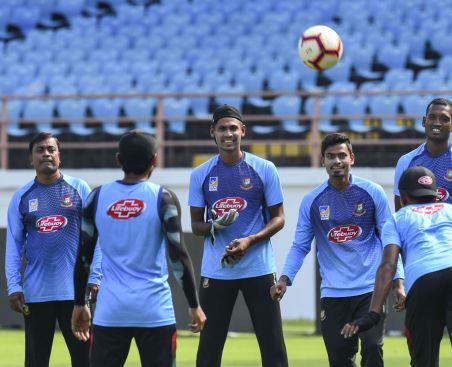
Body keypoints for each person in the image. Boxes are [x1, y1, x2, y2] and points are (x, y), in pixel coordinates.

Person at [341, 166, 452, 367]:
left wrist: (374, 312)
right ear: (436, 195)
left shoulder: (397, 218)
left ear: (403, 198)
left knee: (423, 360)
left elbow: (388, 264)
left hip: (422, 281)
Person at [70, 130, 206, 367]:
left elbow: (84, 256)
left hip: (110, 312)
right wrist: (194, 306)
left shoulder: (97, 197)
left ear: (118, 160)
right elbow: (178, 256)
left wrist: (79, 304)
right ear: (154, 160)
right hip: (155, 312)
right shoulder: (163, 198)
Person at [270, 133, 403, 367]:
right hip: (334, 295)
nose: (337, 161)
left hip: (370, 291)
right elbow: (300, 246)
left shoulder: (372, 192)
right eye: (330, 156)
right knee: (340, 358)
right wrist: (284, 279)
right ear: (323, 161)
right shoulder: (312, 201)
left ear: (352, 158)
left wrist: (399, 280)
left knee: (372, 348)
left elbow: (390, 241)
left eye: (342, 155)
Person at [189, 104, 288, 367]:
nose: (228, 133)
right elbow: (195, 225)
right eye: (222, 128)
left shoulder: (264, 168)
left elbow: (279, 218)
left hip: (259, 268)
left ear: (243, 130)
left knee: (273, 347)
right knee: (209, 348)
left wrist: (250, 240)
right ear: (213, 132)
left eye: (233, 128)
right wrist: (214, 224)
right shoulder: (201, 174)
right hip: (218, 269)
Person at [393, 97, 452, 366]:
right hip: (422, 270)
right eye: (432, 117)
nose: (437, 123)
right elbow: (400, 223)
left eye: (444, 118)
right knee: (423, 352)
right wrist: (400, 277)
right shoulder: (406, 163)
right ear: (423, 121)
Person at [5, 132, 102, 367]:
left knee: (84, 360)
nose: (46, 154)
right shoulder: (21, 196)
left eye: (51, 149)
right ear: (31, 159)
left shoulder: (79, 188)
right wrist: (13, 285)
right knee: (36, 362)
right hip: (36, 293)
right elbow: (14, 245)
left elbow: (96, 238)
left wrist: (96, 275)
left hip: (76, 293)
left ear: (59, 156)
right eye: (39, 150)